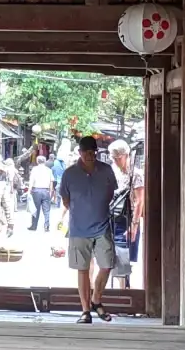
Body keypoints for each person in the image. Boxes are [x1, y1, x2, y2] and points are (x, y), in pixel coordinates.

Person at [57, 134, 121, 323]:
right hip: (78, 228)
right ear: (80, 153)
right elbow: (66, 201)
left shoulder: (107, 170)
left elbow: (110, 194)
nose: (90, 156)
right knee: (82, 268)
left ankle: (96, 299)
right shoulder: (69, 174)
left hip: (102, 225)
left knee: (107, 264)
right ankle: (85, 310)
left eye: (93, 152)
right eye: (87, 152)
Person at [105, 139, 137, 291]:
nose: (115, 161)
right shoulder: (113, 171)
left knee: (122, 254)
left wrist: (134, 224)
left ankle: (123, 290)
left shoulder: (135, 174)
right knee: (112, 254)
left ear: (125, 155)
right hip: (112, 218)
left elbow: (140, 202)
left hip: (126, 219)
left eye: (117, 158)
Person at [27, 154, 55, 233]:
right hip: (46, 191)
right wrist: (50, 191)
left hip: (36, 191)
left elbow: (31, 181)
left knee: (35, 209)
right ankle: (46, 226)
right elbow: (51, 182)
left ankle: (34, 226)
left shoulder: (34, 169)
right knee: (46, 210)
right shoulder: (48, 170)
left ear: (37, 161)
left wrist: (29, 191)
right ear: (45, 161)